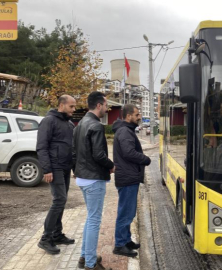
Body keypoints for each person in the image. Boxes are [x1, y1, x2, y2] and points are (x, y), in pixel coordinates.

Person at [73, 92, 114, 270]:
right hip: (93, 179)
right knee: (94, 220)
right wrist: (111, 165)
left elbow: (74, 153)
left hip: (82, 178)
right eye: (106, 105)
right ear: (99, 105)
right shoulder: (96, 126)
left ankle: (85, 257)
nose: (107, 108)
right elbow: (99, 155)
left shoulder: (80, 124)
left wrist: (77, 171)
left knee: (90, 219)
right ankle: (91, 264)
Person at [36, 95, 76, 254]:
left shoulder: (69, 123)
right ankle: (45, 239)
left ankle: (57, 234)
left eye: (74, 107)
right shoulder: (48, 121)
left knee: (62, 200)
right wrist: (47, 169)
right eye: (71, 106)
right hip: (55, 167)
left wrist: (74, 169)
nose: (74, 110)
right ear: (61, 105)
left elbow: (72, 148)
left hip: (65, 167)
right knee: (59, 199)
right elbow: (41, 147)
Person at [112, 104, 151, 257]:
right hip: (127, 177)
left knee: (128, 211)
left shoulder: (125, 130)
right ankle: (120, 244)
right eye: (136, 114)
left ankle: (126, 240)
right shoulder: (124, 132)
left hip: (128, 176)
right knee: (125, 213)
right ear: (128, 116)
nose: (139, 117)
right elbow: (129, 153)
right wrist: (145, 159)